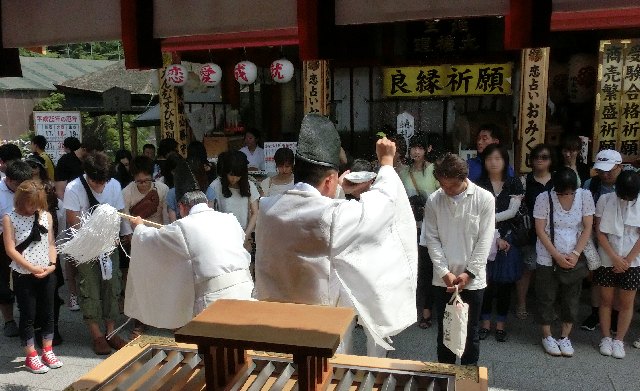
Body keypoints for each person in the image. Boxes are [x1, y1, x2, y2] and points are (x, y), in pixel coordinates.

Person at [255, 114, 417, 358]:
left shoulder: (268, 208)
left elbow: (309, 208)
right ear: (330, 179)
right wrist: (386, 164)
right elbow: (383, 206)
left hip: (277, 322)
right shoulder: (332, 216)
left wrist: (338, 189)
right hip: (320, 326)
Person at [124, 159, 253, 329]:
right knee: (241, 345)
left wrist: (139, 227)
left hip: (215, 298)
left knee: (216, 349)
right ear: (205, 202)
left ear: (181, 207)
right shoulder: (230, 219)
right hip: (247, 290)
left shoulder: (182, 227)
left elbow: (151, 240)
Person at [421, 153, 494, 365]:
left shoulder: (484, 199)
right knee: (446, 334)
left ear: (463, 179)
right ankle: (445, 379)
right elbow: (431, 239)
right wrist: (444, 272)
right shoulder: (434, 200)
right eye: (442, 185)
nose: (446, 190)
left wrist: (468, 273)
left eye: (451, 186)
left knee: (470, 334)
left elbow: (485, 240)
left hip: (473, 280)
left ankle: (467, 382)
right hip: (442, 280)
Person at [63, 152, 132, 355]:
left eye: (103, 182)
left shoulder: (114, 185)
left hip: (109, 245)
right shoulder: (73, 187)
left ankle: (111, 331)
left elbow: (120, 213)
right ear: (87, 175)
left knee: (112, 286)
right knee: (90, 288)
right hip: (85, 247)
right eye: (95, 182)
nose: (100, 186)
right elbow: (72, 220)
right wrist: (94, 234)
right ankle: (96, 335)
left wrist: (126, 234)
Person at [533, 167, 594, 357]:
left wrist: (575, 254)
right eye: (562, 192)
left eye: (570, 192)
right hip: (548, 255)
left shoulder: (584, 196)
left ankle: (565, 337)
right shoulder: (544, 198)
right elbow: (540, 230)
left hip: (573, 254)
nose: (567, 195)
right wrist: (557, 256)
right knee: (546, 296)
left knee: (571, 297)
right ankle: (547, 335)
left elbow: (587, 227)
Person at [3, 180, 63, 373]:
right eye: (30, 203)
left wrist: (52, 265)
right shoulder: (9, 218)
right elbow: (10, 249)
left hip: (47, 271)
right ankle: (31, 355)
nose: (33, 208)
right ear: (20, 200)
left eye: (37, 203)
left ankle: (47, 350)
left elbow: (51, 243)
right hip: (23, 274)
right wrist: (31, 267)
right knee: (28, 314)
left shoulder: (46, 216)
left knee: (48, 312)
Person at [477, 144, 524, 342]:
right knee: (484, 283)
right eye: (489, 159)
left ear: (505, 160)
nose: (493, 162)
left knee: (504, 284)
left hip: (508, 240)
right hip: (484, 239)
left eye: (498, 158)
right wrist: (493, 235)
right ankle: (485, 323)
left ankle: (501, 324)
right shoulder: (478, 184)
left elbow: (513, 214)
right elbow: (475, 214)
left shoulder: (514, 183)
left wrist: (499, 234)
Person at [594, 170, 640, 359]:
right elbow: (599, 232)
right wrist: (614, 258)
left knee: (626, 303)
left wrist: (627, 260)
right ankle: (606, 337)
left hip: (633, 261)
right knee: (606, 300)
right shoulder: (605, 200)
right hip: (608, 257)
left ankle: (619, 340)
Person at [580, 149, 624, 332]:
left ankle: (615, 314)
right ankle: (595, 312)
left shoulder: (628, 184)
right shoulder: (590, 184)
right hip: (596, 238)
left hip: (622, 240)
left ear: (619, 167)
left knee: (620, 278)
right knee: (597, 278)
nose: (605, 174)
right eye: (601, 170)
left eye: (610, 170)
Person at [399, 133, 439, 329]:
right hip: (407, 226)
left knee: (427, 270)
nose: (416, 151)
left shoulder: (433, 171)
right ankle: (406, 311)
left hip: (428, 228)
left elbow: (442, 199)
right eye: (413, 147)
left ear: (427, 149)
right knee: (408, 270)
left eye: (420, 148)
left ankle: (426, 311)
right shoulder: (403, 171)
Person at [516, 144, 555, 320]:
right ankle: (521, 303)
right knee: (527, 269)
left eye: (544, 157)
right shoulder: (524, 181)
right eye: (536, 157)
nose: (540, 160)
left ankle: (547, 307)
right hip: (530, 232)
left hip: (553, 232)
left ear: (551, 161)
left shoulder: (557, 180)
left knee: (549, 273)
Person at [0, 160, 32, 338]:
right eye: (18, 185)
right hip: (2, 240)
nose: (22, 188)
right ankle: (9, 320)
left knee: (26, 281)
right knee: (3, 284)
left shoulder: (29, 189)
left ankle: (29, 317)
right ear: (9, 180)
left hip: (27, 240)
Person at [209, 151, 259, 251]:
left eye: (238, 175)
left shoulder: (250, 186)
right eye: (231, 174)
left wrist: (245, 235)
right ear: (225, 171)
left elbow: (255, 213)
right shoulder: (215, 186)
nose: (234, 178)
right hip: (222, 237)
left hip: (244, 235)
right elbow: (208, 212)